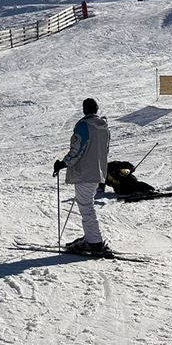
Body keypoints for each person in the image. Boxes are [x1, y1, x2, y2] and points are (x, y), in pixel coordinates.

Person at [52, 98, 111, 256]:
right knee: (87, 205)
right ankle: (91, 238)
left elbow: (77, 150)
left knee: (86, 207)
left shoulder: (84, 126)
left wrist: (63, 164)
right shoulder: (104, 128)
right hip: (97, 172)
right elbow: (105, 150)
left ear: (85, 110)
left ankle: (95, 242)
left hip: (85, 172)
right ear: (97, 109)